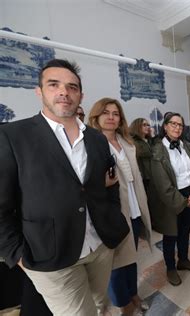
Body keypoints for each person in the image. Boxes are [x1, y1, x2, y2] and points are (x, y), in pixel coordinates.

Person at [0, 59, 129, 315]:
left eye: (72, 87)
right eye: (54, 84)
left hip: (100, 245)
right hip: (51, 256)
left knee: (100, 305)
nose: (64, 92)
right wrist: (17, 255)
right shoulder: (13, 136)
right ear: (39, 91)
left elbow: (110, 184)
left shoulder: (95, 139)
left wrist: (113, 217)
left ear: (80, 94)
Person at [88, 98, 152, 315]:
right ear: (96, 117)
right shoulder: (92, 144)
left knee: (131, 257)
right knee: (115, 264)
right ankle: (123, 303)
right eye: (105, 112)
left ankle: (133, 293)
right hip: (112, 213)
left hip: (133, 208)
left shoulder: (126, 142)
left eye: (115, 113)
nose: (111, 117)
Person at [148, 113, 190, 285]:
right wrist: (182, 202)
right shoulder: (158, 150)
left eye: (180, 125)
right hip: (171, 198)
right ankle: (171, 268)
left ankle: (183, 260)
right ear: (165, 126)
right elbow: (162, 184)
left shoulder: (186, 145)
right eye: (173, 124)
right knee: (171, 235)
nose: (177, 127)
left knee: (185, 231)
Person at [129, 118, 153, 193]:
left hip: (152, 176)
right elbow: (149, 153)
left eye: (148, 125)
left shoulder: (148, 140)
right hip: (143, 177)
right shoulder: (134, 141)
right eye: (144, 125)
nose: (147, 127)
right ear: (137, 127)